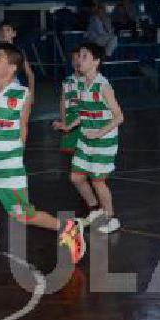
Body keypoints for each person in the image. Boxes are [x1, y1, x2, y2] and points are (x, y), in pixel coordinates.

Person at [0, 43, 87, 270]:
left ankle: (68, 227)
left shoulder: (22, 94)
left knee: (23, 216)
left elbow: (23, 129)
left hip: (8, 170)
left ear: (11, 67)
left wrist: (14, 157)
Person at [54, 42, 125, 234]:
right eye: (79, 56)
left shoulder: (103, 86)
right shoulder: (82, 85)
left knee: (98, 181)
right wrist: (68, 125)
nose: (79, 60)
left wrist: (99, 133)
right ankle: (96, 209)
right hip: (86, 138)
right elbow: (84, 113)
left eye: (84, 56)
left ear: (96, 62)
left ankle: (111, 218)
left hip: (104, 141)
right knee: (76, 177)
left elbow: (119, 116)